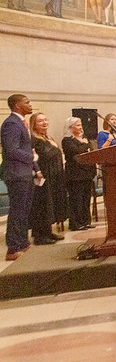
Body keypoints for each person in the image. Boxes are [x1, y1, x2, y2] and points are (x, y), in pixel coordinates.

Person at [1, 94, 40, 260]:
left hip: (25, 173)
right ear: (17, 105)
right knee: (17, 211)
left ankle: (23, 242)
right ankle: (13, 248)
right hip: (16, 174)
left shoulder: (20, 122)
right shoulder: (11, 123)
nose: (30, 105)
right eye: (27, 103)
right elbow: (11, 150)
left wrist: (35, 167)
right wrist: (31, 158)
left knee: (24, 210)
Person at [28, 113, 66, 243]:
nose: (44, 123)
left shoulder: (48, 138)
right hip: (43, 175)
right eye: (40, 121)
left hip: (54, 175)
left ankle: (48, 232)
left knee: (51, 204)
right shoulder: (34, 140)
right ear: (34, 125)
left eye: (45, 120)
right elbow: (44, 155)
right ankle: (40, 236)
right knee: (42, 205)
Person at [62, 117, 97, 232]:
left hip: (87, 173)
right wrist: (84, 145)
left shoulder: (84, 138)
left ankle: (86, 221)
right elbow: (76, 152)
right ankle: (76, 223)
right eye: (77, 125)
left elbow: (91, 150)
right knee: (76, 199)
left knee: (86, 199)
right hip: (75, 174)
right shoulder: (67, 140)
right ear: (70, 127)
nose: (80, 127)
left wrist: (85, 145)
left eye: (80, 124)